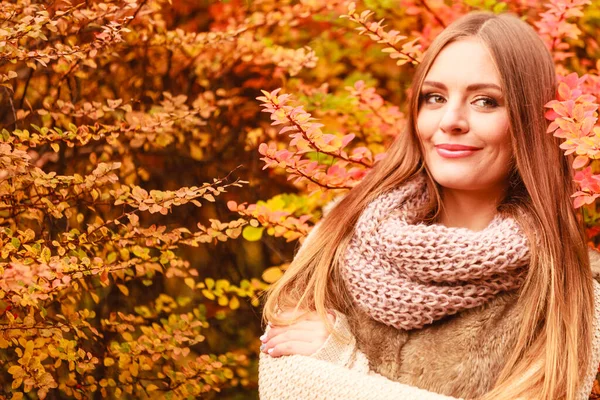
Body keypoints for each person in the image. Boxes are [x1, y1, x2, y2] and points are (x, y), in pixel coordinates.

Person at [258, 11, 600, 400]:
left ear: (529, 121)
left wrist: (339, 362)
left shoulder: (570, 286)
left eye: (486, 101)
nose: (451, 119)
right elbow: (281, 386)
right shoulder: (340, 235)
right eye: (434, 97)